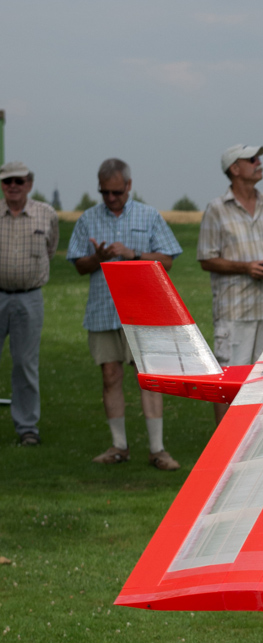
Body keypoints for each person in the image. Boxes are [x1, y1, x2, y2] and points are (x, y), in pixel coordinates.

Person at [67, 158, 182, 470]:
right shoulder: (88, 219)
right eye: (104, 192)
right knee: (110, 376)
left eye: (116, 192)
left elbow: (168, 261)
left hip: (142, 312)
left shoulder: (149, 215)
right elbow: (79, 266)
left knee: (149, 379)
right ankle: (119, 447)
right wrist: (98, 258)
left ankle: (158, 450)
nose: (110, 198)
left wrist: (134, 255)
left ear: (129, 186)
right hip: (103, 311)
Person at [197, 144, 263, 424]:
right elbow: (206, 259)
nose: (258, 162)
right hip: (235, 308)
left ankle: (260, 439)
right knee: (229, 381)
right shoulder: (216, 209)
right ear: (234, 169)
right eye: (252, 159)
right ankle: (224, 444)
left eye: (259, 158)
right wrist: (246, 268)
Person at [0, 161, 59, 447]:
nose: (13, 186)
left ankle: (27, 428)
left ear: (29, 184)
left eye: (19, 181)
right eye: (7, 181)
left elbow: (51, 249)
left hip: (30, 297)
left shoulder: (46, 214)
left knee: (25, 363)